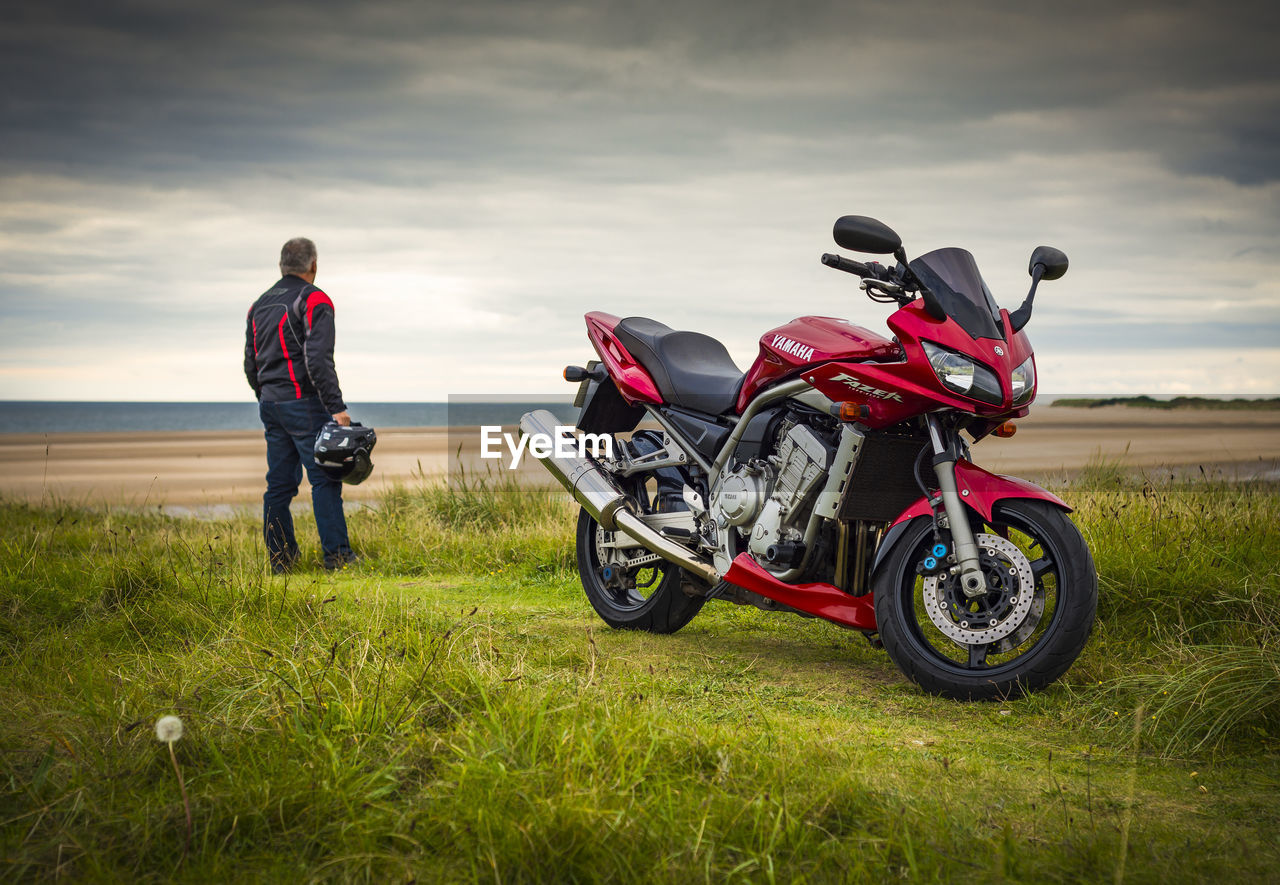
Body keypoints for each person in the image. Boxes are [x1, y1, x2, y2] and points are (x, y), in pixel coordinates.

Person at [244, 237, 358, 572]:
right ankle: (338, 558)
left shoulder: (258, 305)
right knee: (325, 479)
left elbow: (251, 363)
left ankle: (281, 562)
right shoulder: (314, 298)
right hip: (304, 403)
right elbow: (318, 358)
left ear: (281, 266)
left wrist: (265, 397)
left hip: (271, 404)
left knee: (278, 486)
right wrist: (336, 407)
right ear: (313, 265)